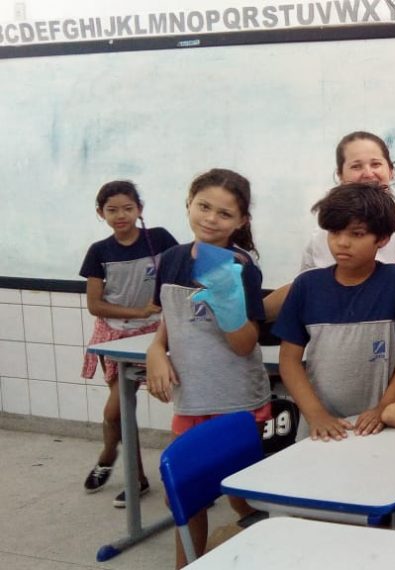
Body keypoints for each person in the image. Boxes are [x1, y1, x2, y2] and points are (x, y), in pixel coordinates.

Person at [144, 168, 272, 569]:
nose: (211, 218)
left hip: (237, 401)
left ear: (241, 221)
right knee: (184, 495)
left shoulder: (240, 267)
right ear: (189, 203)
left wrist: (227, 298)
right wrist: (155, 351)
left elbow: (245, 344)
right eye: (204, 206)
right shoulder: (170, 259)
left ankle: (268, 550)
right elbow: (170, 317)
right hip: (192, 399)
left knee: (243, 495)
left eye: (224, 213)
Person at [265, 131, 395, 407]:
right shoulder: (322, 239)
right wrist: (248, 315)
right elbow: (303, 289)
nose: (368, 173)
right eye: (356, 166)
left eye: (376, 164)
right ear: (340, 174)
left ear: (391, 170)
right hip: (356, 375)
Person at [273, 183, 395, 440]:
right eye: (334, 232)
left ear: (382, 238)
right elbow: (289, 360)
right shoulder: (307, 285)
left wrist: (383, 407)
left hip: (375, 426)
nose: (342, 243)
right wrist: (316, 414)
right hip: (319, 427)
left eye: (357, 234)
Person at [78, 180, 178, 505]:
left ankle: (113, 458)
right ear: (100, 213)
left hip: (157, 334)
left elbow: (184, 273)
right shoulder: (100, 251)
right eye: (112, 210)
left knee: (180, 402)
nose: (120, 215)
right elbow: (96, 304)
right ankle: (128, 472)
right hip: (116, 335)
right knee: (118, 410)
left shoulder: (159, 239)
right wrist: (138, 311)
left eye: (127, 208)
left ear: (139, 210)